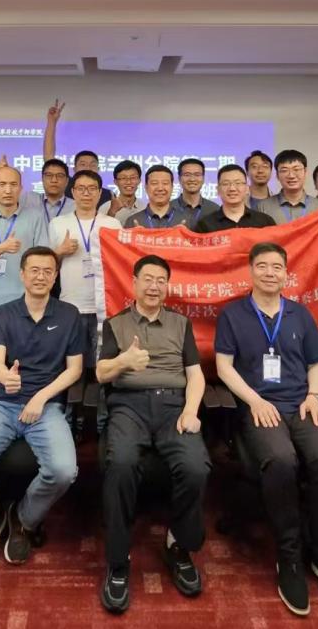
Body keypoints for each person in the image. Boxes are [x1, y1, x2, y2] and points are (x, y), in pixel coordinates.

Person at [214, 242, 318, 618]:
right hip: (259, 407)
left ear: (286, 274)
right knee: (281, 460)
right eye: (262, 266)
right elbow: (224, 367)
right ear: (251, 271)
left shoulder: (299, 314)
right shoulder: (233, 314)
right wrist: (254, 401)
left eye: (276, 267)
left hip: (301, 405)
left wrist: (314, 396)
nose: (269, 273)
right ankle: (289, 556)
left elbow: (316, 364)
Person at [0, 247, 82, 567]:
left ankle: (23, 519)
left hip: (46, 407)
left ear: (55, 276)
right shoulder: (2, 313)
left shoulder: (69, 314)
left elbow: (74, 370)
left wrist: (41, 397)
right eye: (34, 270)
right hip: (2, 404)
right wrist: (4, 376)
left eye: (47, 271)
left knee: (64, 471)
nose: (40, 276)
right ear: (22, 274)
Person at [97, 255, 210, 614]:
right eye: (148, 279)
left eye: (161, 280)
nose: (154, 286)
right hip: (128, 406)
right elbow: (100, 373)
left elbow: (195, 374)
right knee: (121, 464)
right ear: (133, 283)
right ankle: (118, 560)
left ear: (167, 286)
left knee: (195, 467)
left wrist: (191, 410)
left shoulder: (180, 323)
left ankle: (179, 545)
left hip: (173, 406)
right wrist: (123, 362)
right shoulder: (116, 324)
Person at [0, 165, 50, 370]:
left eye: (13, 184)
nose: (8, 190)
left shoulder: (35, 217)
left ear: (21, 188)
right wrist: (1, 248)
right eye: (2, 184)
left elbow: (44, 259)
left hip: (26, 305)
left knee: (27, 366)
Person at [50, 170, 122, 369]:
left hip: (105, 305)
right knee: (73, 364)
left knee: (102, 364)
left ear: (99, 193)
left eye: (92, 189)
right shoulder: (58, 224)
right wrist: (60, 251)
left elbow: (120, 263)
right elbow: (47, 265)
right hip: (71, 304)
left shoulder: (112, 224)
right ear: (73, 192)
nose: (86, 193)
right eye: (81, 188)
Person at [192, 164, 275, 233]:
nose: (232, 188)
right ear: (218, 190)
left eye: (238, 183)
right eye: (226, 183)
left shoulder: (264, 222)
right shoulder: (205, 225)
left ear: (247, 188)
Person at [261, 149, 318, 224]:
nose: (291, 175)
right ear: (277, 175)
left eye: (296, 169)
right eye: (284, 170)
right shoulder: (263, 207)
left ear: (305, 172)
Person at [123, 165, 185, 229]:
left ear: (172, 187)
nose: (160, 188)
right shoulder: (133, 221)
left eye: (165, 183)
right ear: (146, 187)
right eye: (154, 183)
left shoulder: (185, 219)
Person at [19, 157, 74, 226]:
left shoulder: (75, 207)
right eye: (49, 175)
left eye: (59, 176)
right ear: (42, 179)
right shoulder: (28, 199)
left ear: (67, 181)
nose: (54, 180)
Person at [173, 158, 218, 227]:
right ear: (179, 178)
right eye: (187, 175)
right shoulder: (168, 209)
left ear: (203, 178)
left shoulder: (214, 209)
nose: (192, 179)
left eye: (197, 175)